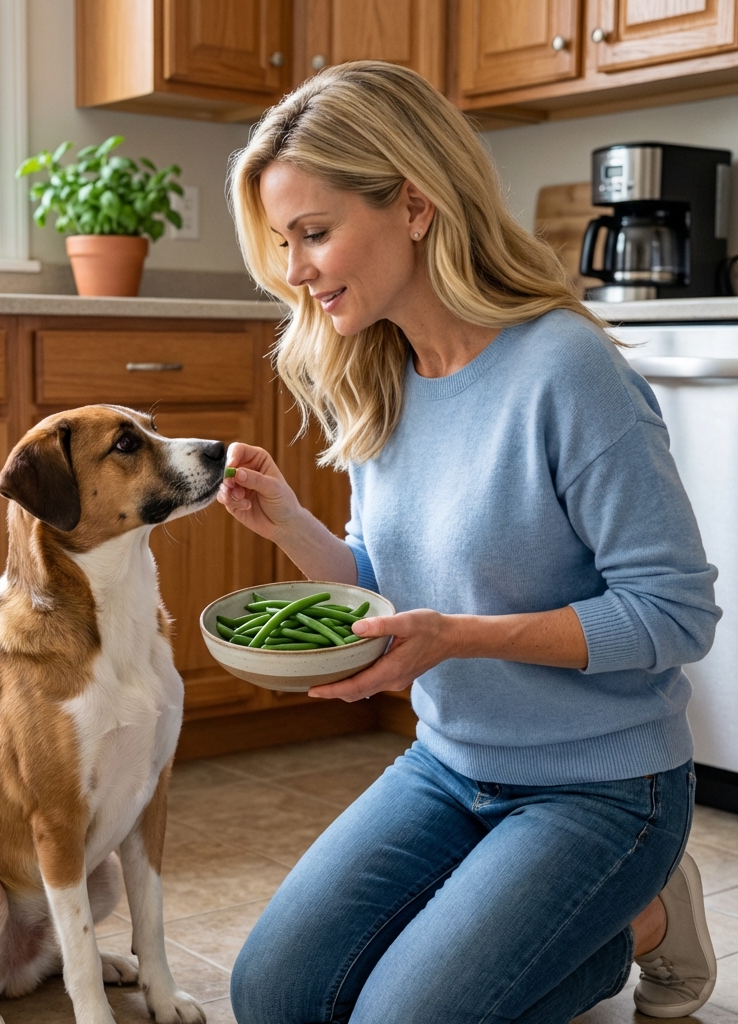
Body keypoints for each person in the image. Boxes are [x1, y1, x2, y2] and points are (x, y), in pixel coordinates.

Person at [218, 61, 721, 1024]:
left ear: (414, 204)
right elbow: (383, 585)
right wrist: (290, 523)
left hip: (606, 787)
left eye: (315, 234)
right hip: (451, 763)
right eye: (283, 242)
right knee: (275, 997)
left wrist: (462, 638)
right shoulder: (381, 372)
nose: (294, 269)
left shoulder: (564, 369)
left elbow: (674, 614)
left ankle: (640, 920)